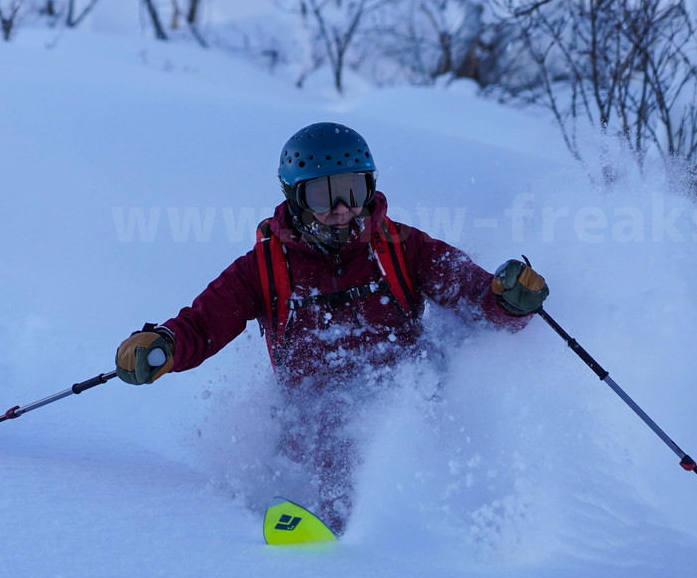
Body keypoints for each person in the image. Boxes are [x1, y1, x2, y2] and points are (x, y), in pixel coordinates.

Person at [113, 122, 548, 533]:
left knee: (393, 435)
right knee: (330, 437)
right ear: (296, 198)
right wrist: (165, 344)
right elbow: (204, 323)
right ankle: (331, 530)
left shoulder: (403, 247)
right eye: (323, 196)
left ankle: (439, 526)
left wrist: (507, 299)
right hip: (312, 421)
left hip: (407, 401)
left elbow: (471, 294)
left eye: (352, 190)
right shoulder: (263, 268)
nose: (341, 209)